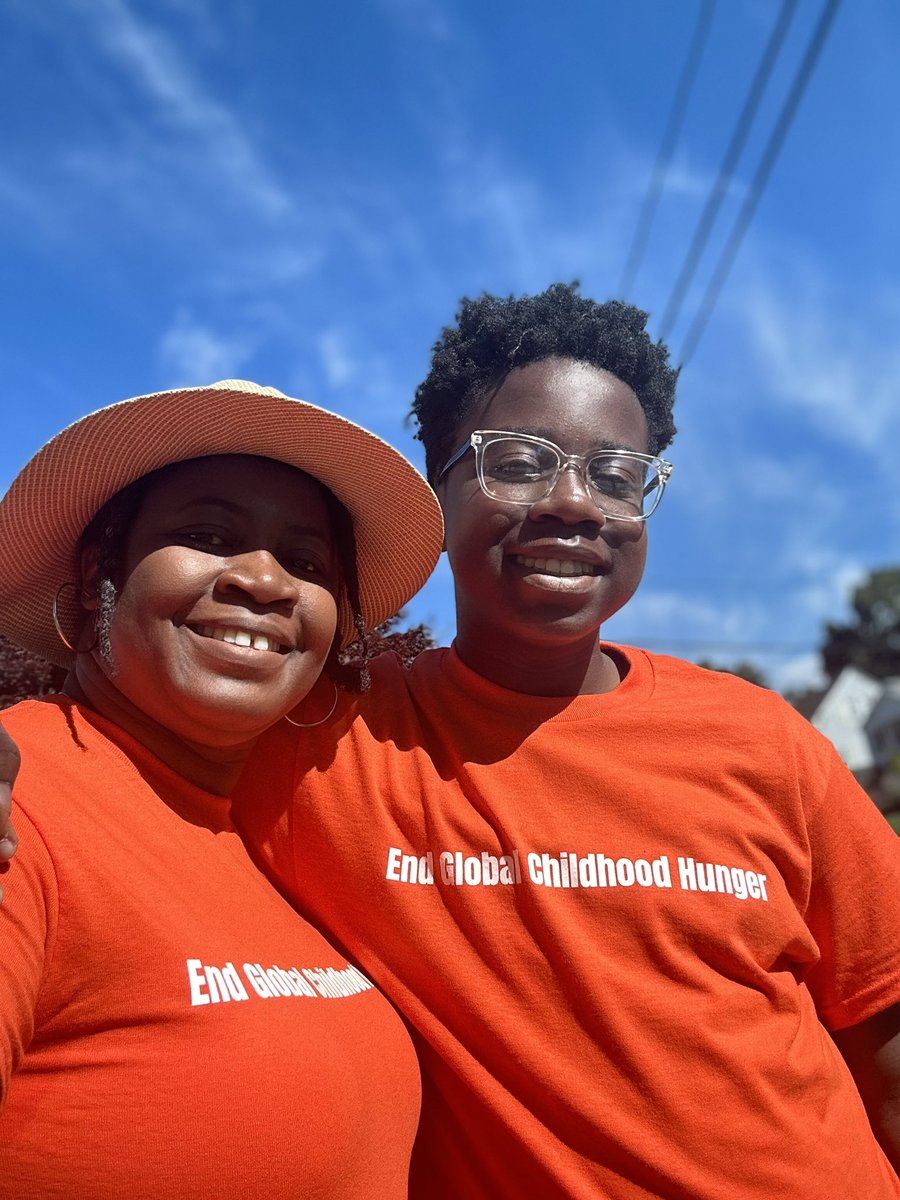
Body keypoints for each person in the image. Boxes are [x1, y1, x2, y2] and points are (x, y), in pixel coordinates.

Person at [3, 286, 900, 1199]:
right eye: (518, 461)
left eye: (619, 475)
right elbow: (130, 738)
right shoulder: (321, 738)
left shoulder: (763, 740)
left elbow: (883, 1019)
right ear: (439, 487)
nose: (574, 503)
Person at [0, 378, 444, 1200]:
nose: (265, 582)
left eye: (307, 562)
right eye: (206, 534)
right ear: (103, 570)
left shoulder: (285, 844)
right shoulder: (19, 806)